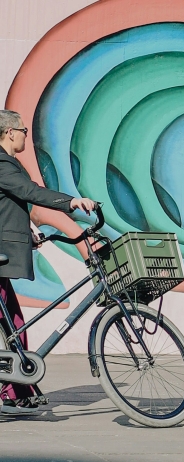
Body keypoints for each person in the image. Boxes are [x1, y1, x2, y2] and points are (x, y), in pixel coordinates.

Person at [0, 110, 95, 415]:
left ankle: (17, 390)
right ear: (9, 132)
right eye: (24, 130)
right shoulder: (2, 162)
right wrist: (70, 202)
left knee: (14, 324)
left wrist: (27, 228)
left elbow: (8, 202)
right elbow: (27, 191)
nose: (26, 135)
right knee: (11, 321)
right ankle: (11, 391)